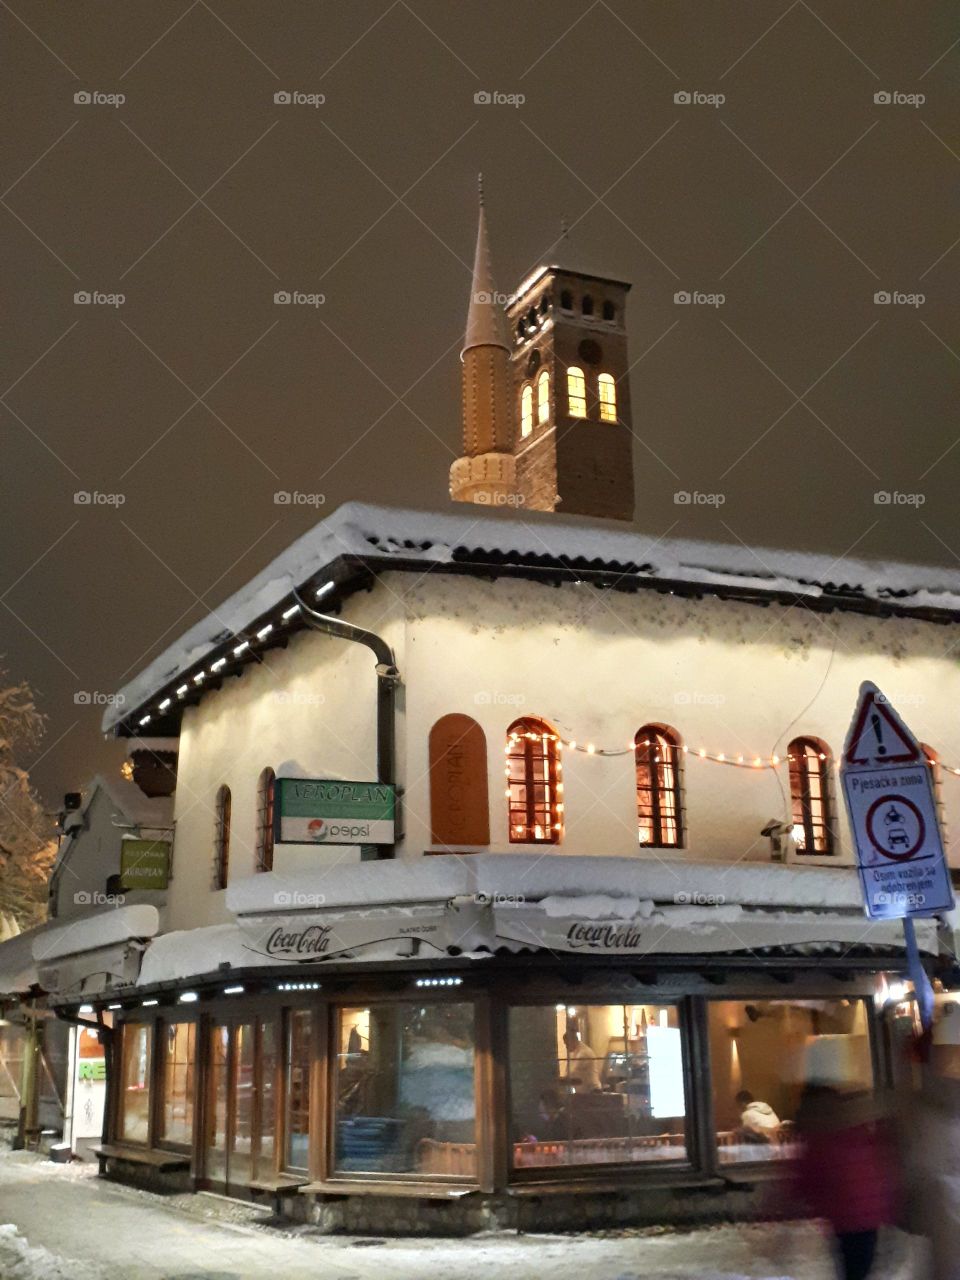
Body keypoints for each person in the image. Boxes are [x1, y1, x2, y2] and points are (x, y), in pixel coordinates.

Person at [789, 1083, 897, 1280]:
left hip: (850, 1220)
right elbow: (877, 1169)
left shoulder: (826, 1141)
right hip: (860, 1219)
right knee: (858, 1267)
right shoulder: (856, 1135)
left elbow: (806, 1178)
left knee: (854, 1268)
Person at [561, 1025, 601, 1092]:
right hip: (584, 1091)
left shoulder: (584, 1053)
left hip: (593, 1091)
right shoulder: (573, 1053)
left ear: (573, 1041)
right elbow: (567, 1072)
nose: (566, 1047)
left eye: (567, 1044)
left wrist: (560, 1080)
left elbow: (572, 1073)